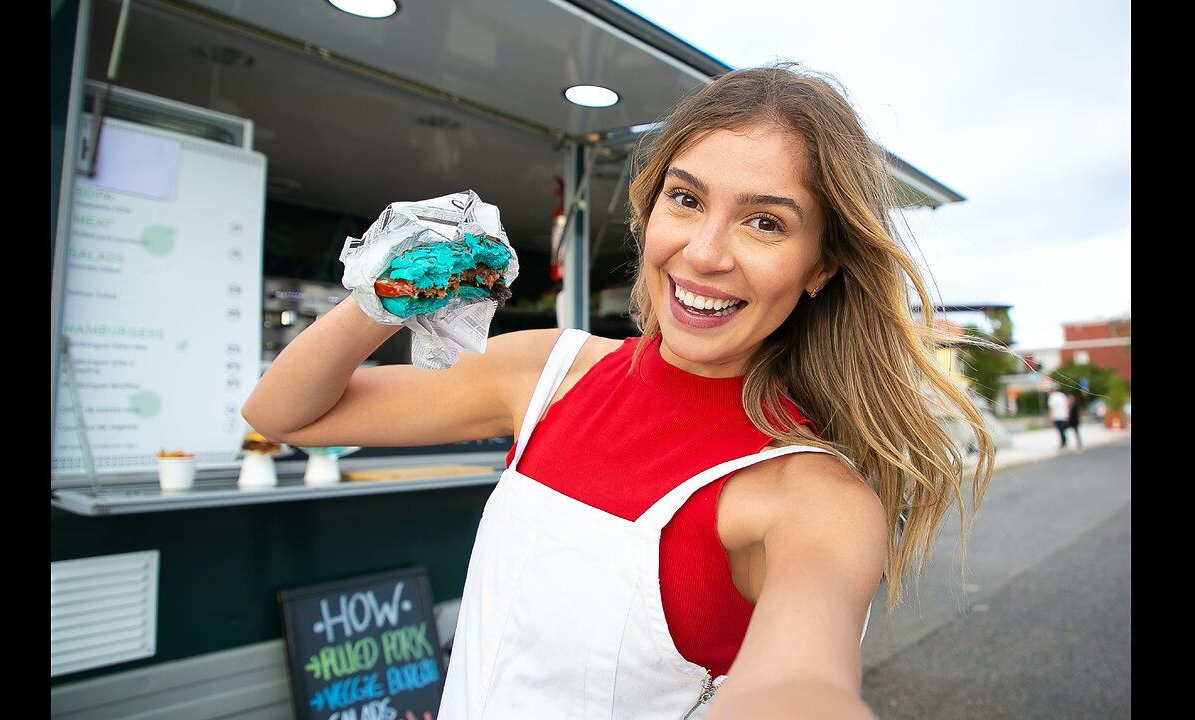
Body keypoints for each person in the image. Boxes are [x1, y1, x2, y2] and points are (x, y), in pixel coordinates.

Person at [243, 62, 996, 720]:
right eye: (687, 199)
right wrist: (388, 291)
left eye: (765, 222)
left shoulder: (813, 497)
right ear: (649, 209)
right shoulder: (548, 370)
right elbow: (282, 414)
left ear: (821, 266)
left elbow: (800, 690)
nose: (703, 253)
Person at [1066, 388, 1085, 453]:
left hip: (1074, 421)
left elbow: (1075, 414)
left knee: (1076, 433)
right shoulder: (1069, 405)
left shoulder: (1074, 405)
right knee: (1067, 432)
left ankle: (1078, 445)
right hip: (1070, 421)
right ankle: (1068, 443)